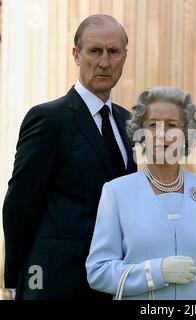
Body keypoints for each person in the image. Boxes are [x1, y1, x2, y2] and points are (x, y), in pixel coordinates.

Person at [2, 14, 137, 300]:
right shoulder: (49, 119)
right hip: (55, 282)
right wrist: (17, 281)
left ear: (124, 57)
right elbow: (19, 205)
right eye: (94, 51)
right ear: (76, 56)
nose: (104, 62)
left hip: (113, 282)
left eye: (113, 52)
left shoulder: (129, 122)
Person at [86, 86, 196, 300]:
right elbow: (98, 272)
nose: (162, 134)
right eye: (153, 125)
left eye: (172, 125)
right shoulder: (116, 193)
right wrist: (157, 272)